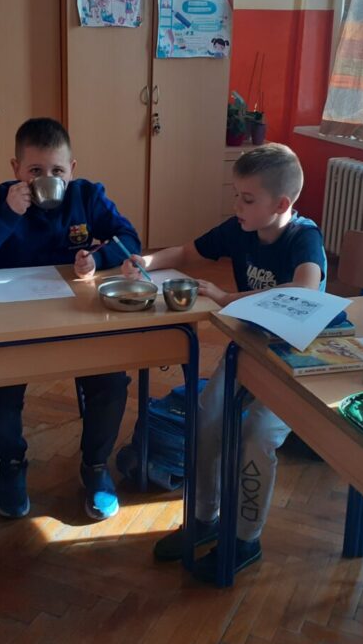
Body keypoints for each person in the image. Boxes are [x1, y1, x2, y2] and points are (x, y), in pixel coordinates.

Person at [122, 143, 326, 583]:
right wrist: (145, 261)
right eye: (236, 195)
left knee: (258, 435)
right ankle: (204, 519)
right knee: (207, 418)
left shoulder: (304, 237)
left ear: (281, 205)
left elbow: (305, 290)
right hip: (249, 348)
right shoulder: (242, 227)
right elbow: (186, 252)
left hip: (294, 359)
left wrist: (228, 297)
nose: (237, 207)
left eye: (247, 199)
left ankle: (245, 539)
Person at [0, 117, 141, 521]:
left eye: (57, 170)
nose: (46, 179)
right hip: (12, 320)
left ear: (72, 169)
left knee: (111, 379)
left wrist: (98, 258)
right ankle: (12, 462)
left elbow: (129, 239)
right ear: (16, 168)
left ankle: (95, 465)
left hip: (75, 316)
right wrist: (5, 214)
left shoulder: (87, 195)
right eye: (35, 170)